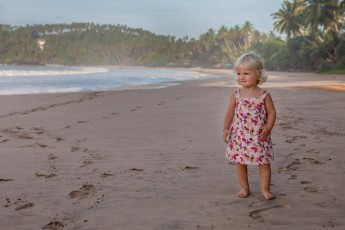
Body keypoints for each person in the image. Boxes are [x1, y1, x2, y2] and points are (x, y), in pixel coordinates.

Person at [223, 53, 276, 200]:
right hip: (240, 137)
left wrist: (269, 127)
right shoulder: (236, 94)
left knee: (264, 163)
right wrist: (226, 128)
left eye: (246, 73)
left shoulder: (264, 95)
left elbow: (271, 112)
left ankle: (265, 189)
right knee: (240, 163)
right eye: (239, 73)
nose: (241, 77)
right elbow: (229, 113)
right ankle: (244, 187)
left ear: (258, 74)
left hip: (259, 136)